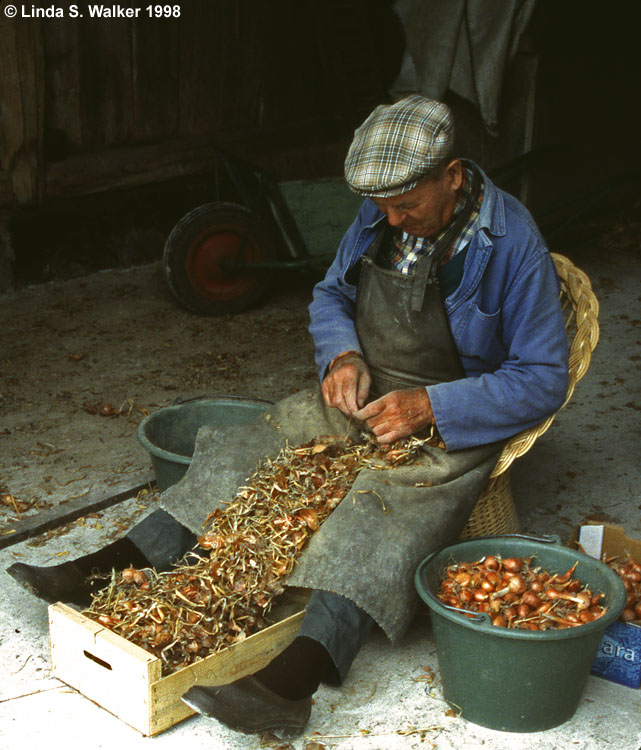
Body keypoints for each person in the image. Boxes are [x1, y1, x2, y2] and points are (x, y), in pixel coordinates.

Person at [8, 95, 569, 740]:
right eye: (382, 206)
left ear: (453, 175)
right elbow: (332, 292)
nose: (390, 218)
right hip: (365, 394)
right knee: (250, 447)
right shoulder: (381, 212)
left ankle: (292, 684)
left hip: (449, 413)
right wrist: (342, 354)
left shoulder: (511, 241)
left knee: (380, 514)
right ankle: (104, 566)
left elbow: (542, 378)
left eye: (406, 206)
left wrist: (432, 406)